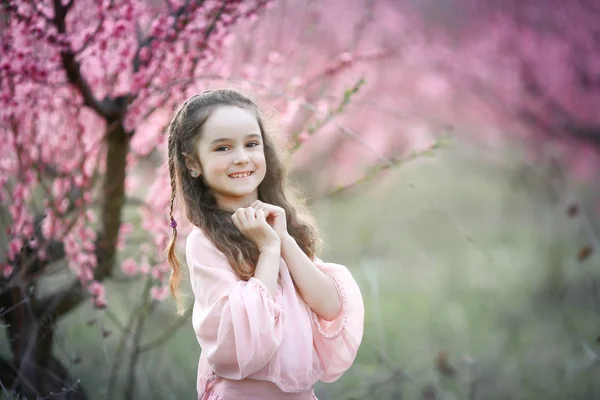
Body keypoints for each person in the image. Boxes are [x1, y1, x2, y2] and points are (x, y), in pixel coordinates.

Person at [165, 89, 364, 400]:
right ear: (193, 163)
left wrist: (282, 240)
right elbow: (245, 345)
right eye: (222, 148)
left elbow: (330, 306)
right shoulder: (206, 244)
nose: (241, 157)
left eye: (251, 144)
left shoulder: (280, 225)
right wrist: (268, 252)